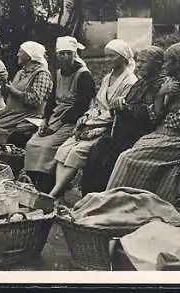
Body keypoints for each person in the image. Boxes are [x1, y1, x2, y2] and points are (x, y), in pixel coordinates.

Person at [105, 42, 180, 204]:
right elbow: (154, 115)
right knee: (133, 152)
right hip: (166, 133)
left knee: (128, 158)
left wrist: (164, 114)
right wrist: (162, 95)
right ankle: (128, 204)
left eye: (168, 62)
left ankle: (118, 203)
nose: (164, 65)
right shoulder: (172, 80)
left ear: (179, 63)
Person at [49, 39, 139, 198]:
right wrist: (86, 115)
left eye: (112, 56)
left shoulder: (130, 81)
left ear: (123, 58)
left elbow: (117, 111)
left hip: (109, 125)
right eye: (106, 56)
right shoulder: (107, 78)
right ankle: (58, 189)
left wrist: (95, 121)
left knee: (77, 151)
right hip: (94, 120)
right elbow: (97, 104)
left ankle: (53, 193)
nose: (107, 59)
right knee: (64, 149)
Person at [80, 45, 165, 196]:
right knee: (97, 154)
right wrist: (120, 104)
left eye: (143, 62)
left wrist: (125, 107)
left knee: (110, 159)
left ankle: (104, 199)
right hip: (123, 131)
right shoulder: (141, 82)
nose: (138, 66)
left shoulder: (159, 85)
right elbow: (128, 105)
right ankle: (89, 198)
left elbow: (150, 113)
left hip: (140, 134)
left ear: (157, 65)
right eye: (138, 61)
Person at [24, 36, 96, 193]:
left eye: (68, 53)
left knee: (47, 147)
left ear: (74, 54)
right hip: (55, 116)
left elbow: (81, 106)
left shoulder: (84, 75)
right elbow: (51, 100)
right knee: (32, 144)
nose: (64, 57)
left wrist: (56, 125)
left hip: (73, 120)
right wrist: (45, 120)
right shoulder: (58, 73)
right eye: (61, 53)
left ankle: (47, 184)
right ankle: (33, 180)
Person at [0, 41, 53, 147]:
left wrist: (15, 92)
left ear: (29, 56)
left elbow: (36, 100)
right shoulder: (21, 72)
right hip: (12, 115)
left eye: (20, 52)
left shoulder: (42, 74)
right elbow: (10, 96)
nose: (17, 54)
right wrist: (3, 83)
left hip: (29, 116)